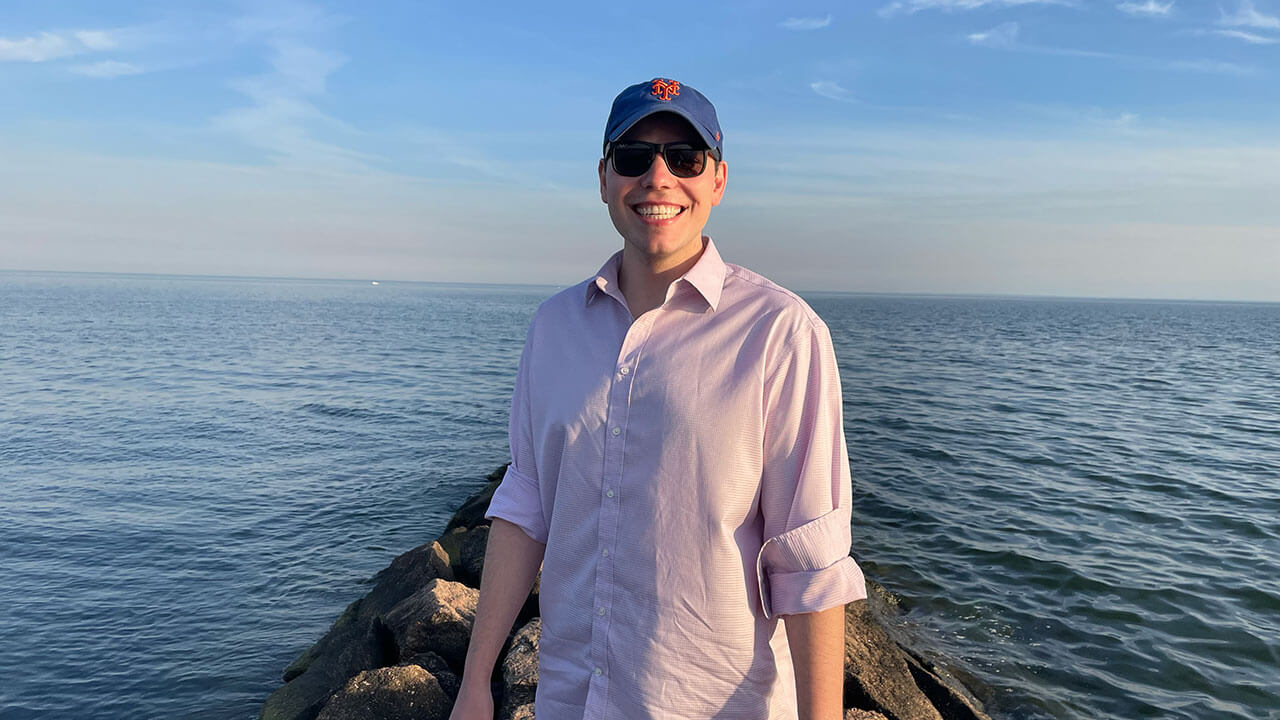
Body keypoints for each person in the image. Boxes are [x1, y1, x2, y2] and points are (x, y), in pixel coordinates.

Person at [449, 78, 866, 720]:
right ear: (604, 176)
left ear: (719, 180)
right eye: (635, 157)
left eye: (685, 158)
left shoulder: (781, 332)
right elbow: (527, 501)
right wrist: (475, 682)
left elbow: (808, 554)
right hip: (570, 701)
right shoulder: (553, 327)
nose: (658, 177)